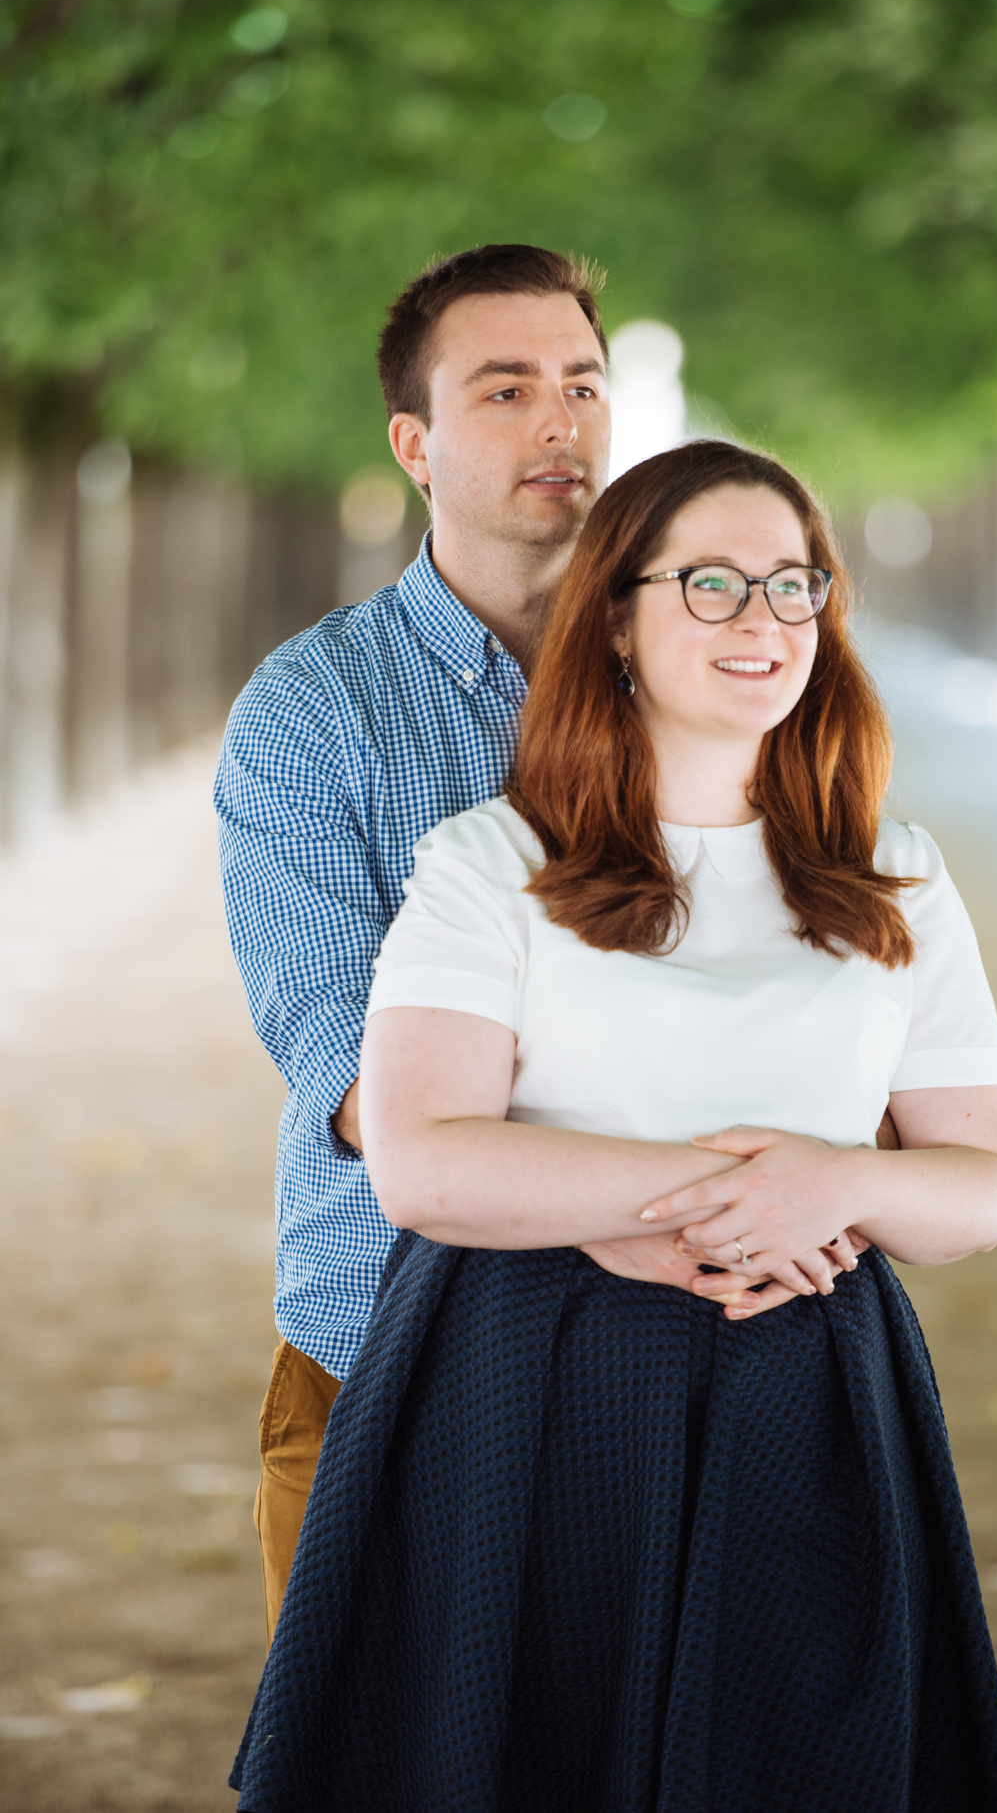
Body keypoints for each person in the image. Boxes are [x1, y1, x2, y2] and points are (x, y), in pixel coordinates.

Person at [230, 439, 997, 1811]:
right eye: (711, 583)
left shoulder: (896, 870)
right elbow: (423, 1158)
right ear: (614, 614)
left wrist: (834, 1182)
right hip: (529, 1389)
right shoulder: (491, 863)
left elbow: (979, 1186)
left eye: (794, 586)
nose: (762, 621)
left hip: (816, 1388)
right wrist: (729, 1196)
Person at [215, 242, 618, 1640]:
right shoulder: (307, 711)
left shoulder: (696, 672)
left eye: (581, 383)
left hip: (666, 1346)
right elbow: (342, 1064)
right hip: (382, 1336)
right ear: (415, 442)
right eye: (505, 389)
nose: (558, 421)